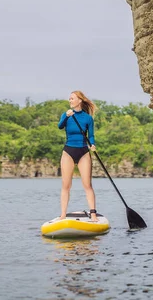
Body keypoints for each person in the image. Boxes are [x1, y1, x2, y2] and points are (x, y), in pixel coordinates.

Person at [57, 90, 98, 222]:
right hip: (68, 151)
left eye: (72, 98)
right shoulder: (66, 114)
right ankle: (63, 214)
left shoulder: (88, 118)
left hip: (83, 152)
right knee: (66, 185)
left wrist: (92, 144)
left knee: (87, 185)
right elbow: (60, 126)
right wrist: (66, 117)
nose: (70, 101)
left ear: (80, 100)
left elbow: (90, 135)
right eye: (69, 99)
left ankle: (93, 214)